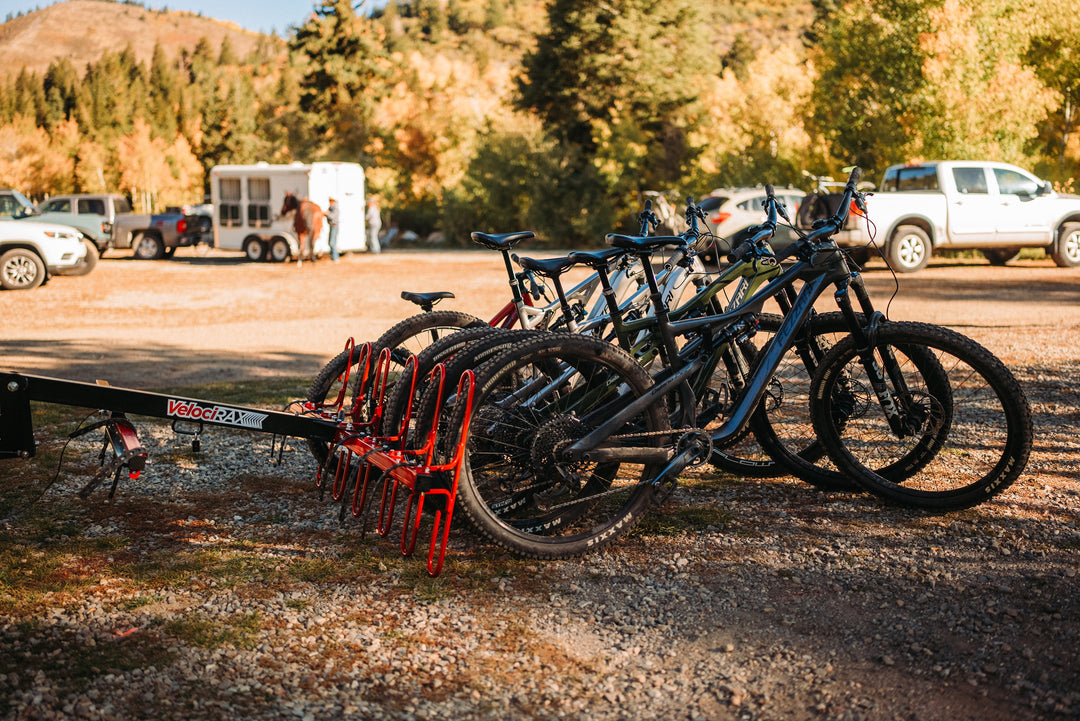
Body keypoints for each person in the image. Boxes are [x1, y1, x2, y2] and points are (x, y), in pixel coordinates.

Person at [325, 197, 340, 262]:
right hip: (332, 226)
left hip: (334, 226)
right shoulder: (331, 208)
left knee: (332, 242)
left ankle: (335, 257)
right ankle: (333, 257)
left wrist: (327, 214)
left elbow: (332, 216)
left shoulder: (335, 208)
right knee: (330, 242)